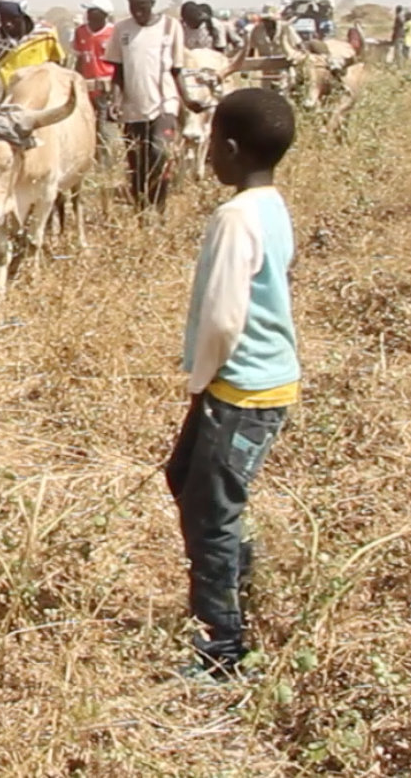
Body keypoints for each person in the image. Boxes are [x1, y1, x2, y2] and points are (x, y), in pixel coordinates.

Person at [166, 86, 300, 681]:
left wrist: (201, 378)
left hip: (240, 387)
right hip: (256, 383)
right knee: (185, 477)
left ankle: (221, 647)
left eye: (214, 141)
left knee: (211, 513)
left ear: (231, 149)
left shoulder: (234, 217)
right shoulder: (271, 204)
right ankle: (239, 582)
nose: (209, 152)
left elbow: (223, 317)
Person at [105, 0, 191, 212]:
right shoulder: (121, 30)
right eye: (133, 7)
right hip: (133, 108)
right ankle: (142, 212)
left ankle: (159, 207)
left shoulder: (170, 27)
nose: (138, 12)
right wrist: (115, 101)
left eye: (142, 7)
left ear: (152, 3)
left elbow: (177, 70)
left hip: (164, 104)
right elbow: (118, 72)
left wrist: (188, 99)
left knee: (159, 152)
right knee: (137, 164)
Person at [72, 0, 117, 116]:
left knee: (105, 122)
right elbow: (79, 59)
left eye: (93, 11)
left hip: (107, 87)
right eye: (88, 11)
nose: (88, 14)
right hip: (87, 86)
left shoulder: (113, 32)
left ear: (103, 14)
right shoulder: (80, 31)